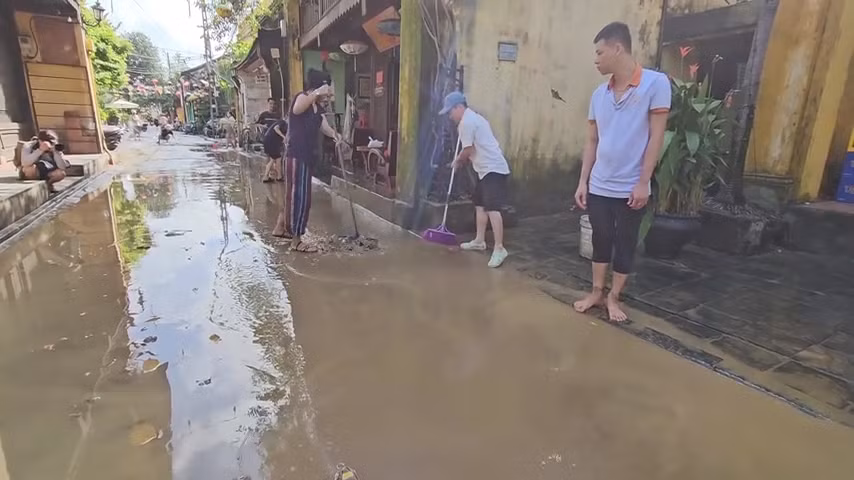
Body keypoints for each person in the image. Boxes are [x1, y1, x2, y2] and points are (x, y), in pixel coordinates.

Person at [572, 22, 670, 323]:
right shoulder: (598, 95)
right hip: (600, 185)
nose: (596, 59)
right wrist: (583, 181)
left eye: (600, 52)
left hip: (631, 187)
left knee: (625, 242)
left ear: (617, 48)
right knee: (601, 239)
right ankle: (597, 293)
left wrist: (643, 182)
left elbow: (656, 137)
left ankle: (615, 298)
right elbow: (592, 141)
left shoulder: (655, 83)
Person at [440, 91, 512, 268]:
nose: (450, 116)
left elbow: (468, 150)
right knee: (480, 204)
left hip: (493, 169)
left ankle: (499, 248)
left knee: (492, 208)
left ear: (459, 107)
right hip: (484, 170)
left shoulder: (467, 123)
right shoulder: (474, 119)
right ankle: (480, 241)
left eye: (450, 111)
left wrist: (457, 161)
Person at [272, 69, 340, 252]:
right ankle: (296, 240)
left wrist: (335, 135)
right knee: (298, 197)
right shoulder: (302, 98)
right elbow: (296, 109)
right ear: (318, 87)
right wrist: (318, 92)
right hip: (296, 154)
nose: (328, 96)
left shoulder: (318, 108)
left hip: (307, 156)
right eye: (327, 90)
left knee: (294, 194)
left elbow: (324, 126)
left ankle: (281, 228)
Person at [261, 117, 287, 183]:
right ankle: (271, 177)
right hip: (271, 141)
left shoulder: (283, 124)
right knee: (275, 159)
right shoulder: (282, 122)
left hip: (268, 140)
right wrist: (284, 137)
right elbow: (276, 128)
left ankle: (274, 176)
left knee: (275, 159)